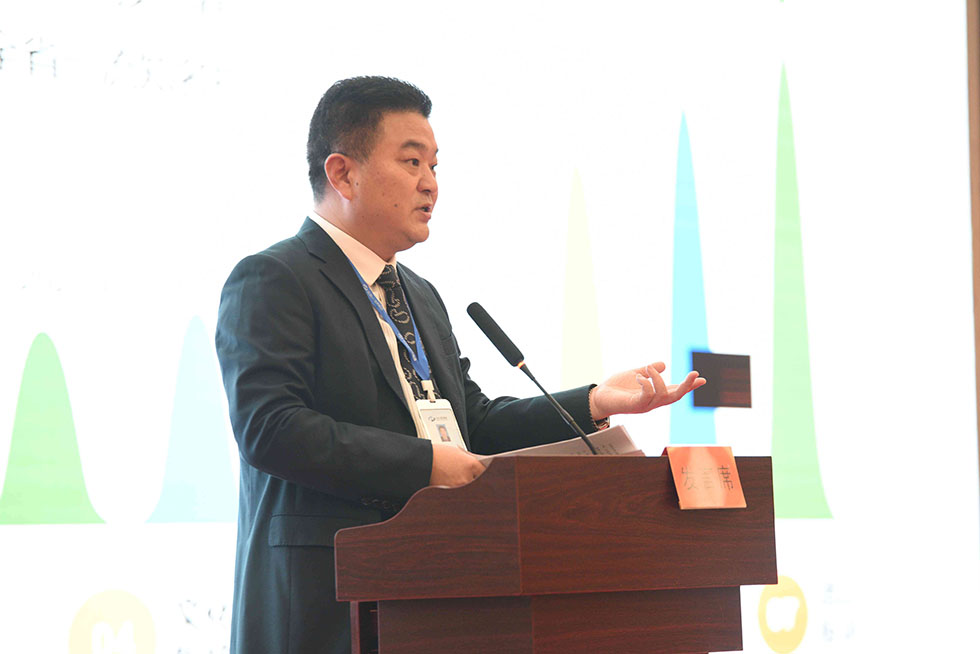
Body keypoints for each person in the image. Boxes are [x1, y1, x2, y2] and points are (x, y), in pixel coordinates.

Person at [215, 76, 705, 654]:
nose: (430, 183)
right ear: (343, 174)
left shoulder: (420, 295)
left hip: (436, 599)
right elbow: (270, 429)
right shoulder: (275, 278)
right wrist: (427, 464)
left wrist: (594, 400)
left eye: (434, 165)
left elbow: (473, 423)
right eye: (411, 162)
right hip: (323, 607)